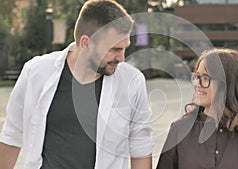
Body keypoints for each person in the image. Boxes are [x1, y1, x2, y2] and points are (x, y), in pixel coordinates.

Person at [0, 0, 153, 169]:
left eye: (124, 48)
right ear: (86, 42)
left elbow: (141, 147)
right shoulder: (35, 72)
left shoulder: (132, 81)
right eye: (114, 49)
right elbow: (11, 136)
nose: (122, 58)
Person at [156, 48, 238, 169]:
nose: (197, 83)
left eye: (205, 78)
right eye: (196, 76)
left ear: (228, 84)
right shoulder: (179, 130)